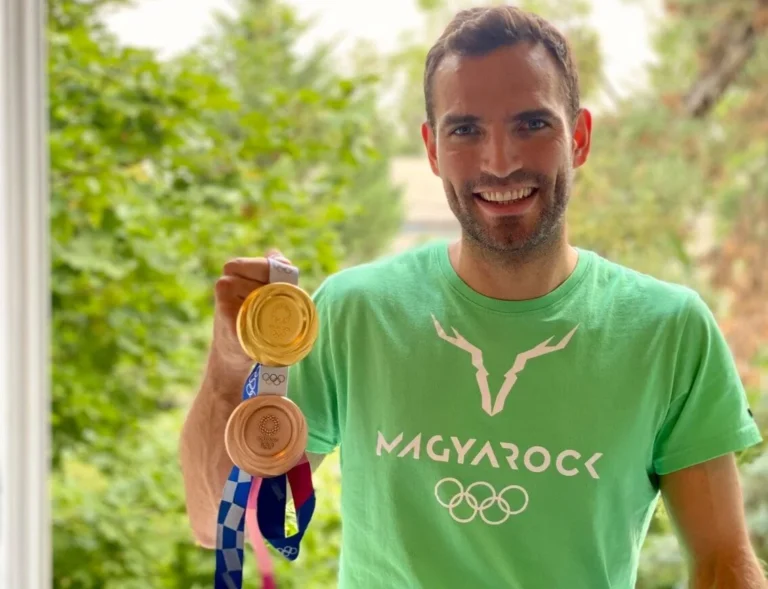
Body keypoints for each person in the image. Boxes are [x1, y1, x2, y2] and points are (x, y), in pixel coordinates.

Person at [180, 5, 766, 588]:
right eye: (465, 130)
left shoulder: (667, 331)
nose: (500, 162)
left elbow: (722, 565)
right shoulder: (355, 312)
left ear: (579, 137)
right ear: (433, 150)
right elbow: (217, 522)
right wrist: (232, 362)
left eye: (532, 124)